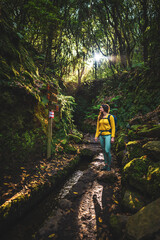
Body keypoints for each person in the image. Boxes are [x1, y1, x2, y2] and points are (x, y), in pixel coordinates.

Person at [95, 104, 115, 171]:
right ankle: (106, 165)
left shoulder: (110, 117)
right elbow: (97, 127)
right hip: (101, 135)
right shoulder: (99, 117)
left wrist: (112, 137)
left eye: (101, 108)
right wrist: (96, 136)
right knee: (103, 151)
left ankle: (109, 166)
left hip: (108, 135)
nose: (100, 109)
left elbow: (113, 127)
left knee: (107, 150)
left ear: (104, 109)